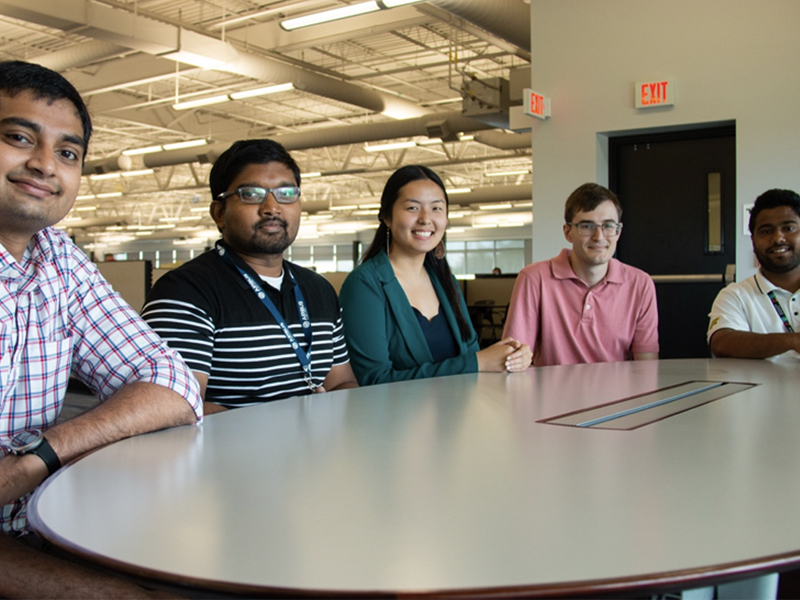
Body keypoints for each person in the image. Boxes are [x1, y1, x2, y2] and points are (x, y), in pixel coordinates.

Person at [0, 60, 203, 597]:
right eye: (19, 137)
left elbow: (172, 384)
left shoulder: (58, 259)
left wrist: (37, 459)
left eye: (68, 153)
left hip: (44, 519)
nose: (45, 165)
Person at [142, 139, 358, 414]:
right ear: (219, 213)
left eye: (286, 193)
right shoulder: (185, 291)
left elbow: (342, 383)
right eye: (252, 194)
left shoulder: (319, 290)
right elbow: (176, 407)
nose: (272, 207)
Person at [338, 165, 531, 385]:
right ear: (387, 217)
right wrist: (477, 363)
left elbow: (472, 354)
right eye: (412, 208)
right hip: (395, 419)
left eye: (436, 209)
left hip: (456, 416)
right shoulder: (365, 284)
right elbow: (374, 380)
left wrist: (510, 357)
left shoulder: (444, 280)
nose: (425, 219)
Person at [503, 182, 659, 366]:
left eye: (608, 226)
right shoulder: (534, 278)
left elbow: (646, 368)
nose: (599, 236)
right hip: (551, 394)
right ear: (568, 232)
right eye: (587, 226)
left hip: (620, 394)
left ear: (618, 232)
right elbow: (513, 359)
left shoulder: (640, 284)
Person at [708, 188, 800, 362]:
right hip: (762, 390)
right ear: (753, 240)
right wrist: (793, 341)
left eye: (788, 228)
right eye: (766, 231)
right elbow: (722, 343)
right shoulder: (736, 295)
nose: (778, 238)